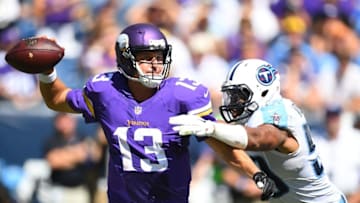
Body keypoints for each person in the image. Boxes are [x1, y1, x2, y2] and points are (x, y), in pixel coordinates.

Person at [35, 23, 277, 202]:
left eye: (159, 57)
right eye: (146, 57)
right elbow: (57, 99)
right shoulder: (105, 90)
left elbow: (219, 144)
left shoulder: (185, 96)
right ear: (126, 59)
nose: (155, 64)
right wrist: (47, 73)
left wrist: (255, 173)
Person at [170, 58, 348, 203]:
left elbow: (260, 139)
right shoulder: (251, 120)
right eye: (231, 96)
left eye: (239, 96)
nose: (233, 103)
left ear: (262, 91)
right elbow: (232, 146)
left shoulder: (280, 112)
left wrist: (209, 127)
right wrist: (202, 125)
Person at [41, 112, 99, 203]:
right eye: (61, 121)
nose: (65, 124)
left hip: (79, 189)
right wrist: (76, 154)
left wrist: (64, 156)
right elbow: (53, 162)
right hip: (58, 190)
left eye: (67, 120)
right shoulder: (52, 141)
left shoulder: (82, 137)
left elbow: (94, 155)